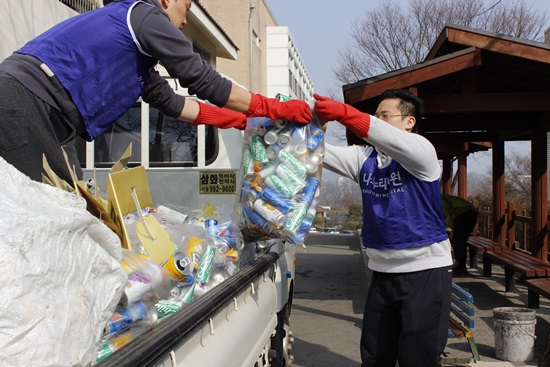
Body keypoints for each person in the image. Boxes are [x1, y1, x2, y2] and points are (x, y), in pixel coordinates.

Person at [0, 0, 312, 183]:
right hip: (28, 103)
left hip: (37, 109)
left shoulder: (133, 49)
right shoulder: (144, 16)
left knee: (67, 210)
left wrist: (239, 122)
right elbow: (204, 80)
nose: (185, 19)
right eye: (185, 7)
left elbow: (171, 103)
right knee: (58, 216)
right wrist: (271, 108)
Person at [314, 89, 453, 367]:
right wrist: (275, 125)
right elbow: (316, 151)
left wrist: (345, 113)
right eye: (376, 115)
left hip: (425, 271)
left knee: (418, 359)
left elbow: (380, 134)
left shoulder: (422, 152)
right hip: (382, 273)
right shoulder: (365, 158)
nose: (377, 120)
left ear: (409, 122)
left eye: (384, 115)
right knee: (375, 357)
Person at [440, 194, 479, 275]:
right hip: (470, 213)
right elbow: (453, 226)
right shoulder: (443, 200)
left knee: (459, 241)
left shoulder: (440, 199)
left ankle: (460, 267)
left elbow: (443, 215)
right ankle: (460, 265)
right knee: (460, 240)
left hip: (464, 213)